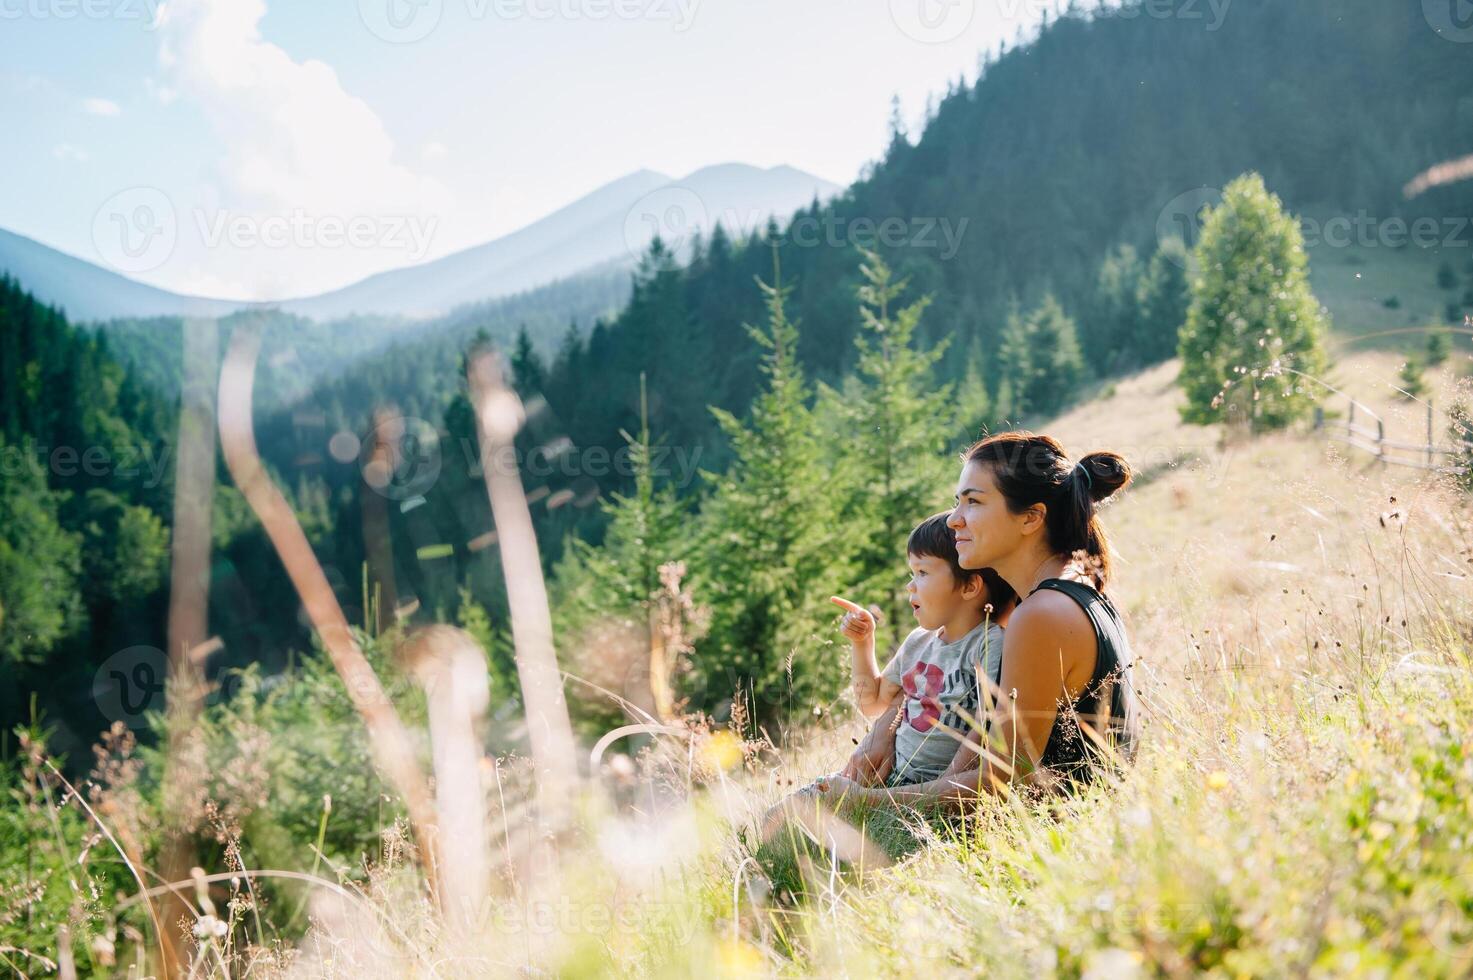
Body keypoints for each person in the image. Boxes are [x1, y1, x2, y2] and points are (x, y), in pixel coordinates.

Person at [826, 432, 1141, 806]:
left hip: (1054, 832)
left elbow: (1006, 779)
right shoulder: (1063, 593)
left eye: (973, 502)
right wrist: (886, 727)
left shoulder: (1041, 615)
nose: (955, 521)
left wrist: (866, 802)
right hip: (1069, 822)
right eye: (956, 503)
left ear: (1031, 518)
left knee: (797, 815)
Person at [761, 513, 1015, 838]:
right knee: (785, 812)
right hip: (888, 779)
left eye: (922, 573)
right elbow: (872, 702)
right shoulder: (918, 642)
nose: (910, 585)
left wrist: (945, 793)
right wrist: (863, 643)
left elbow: (986, 726)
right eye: (912, 573)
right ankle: (766, 859)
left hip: (928, 795)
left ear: (969, 586)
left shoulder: (989, 644)